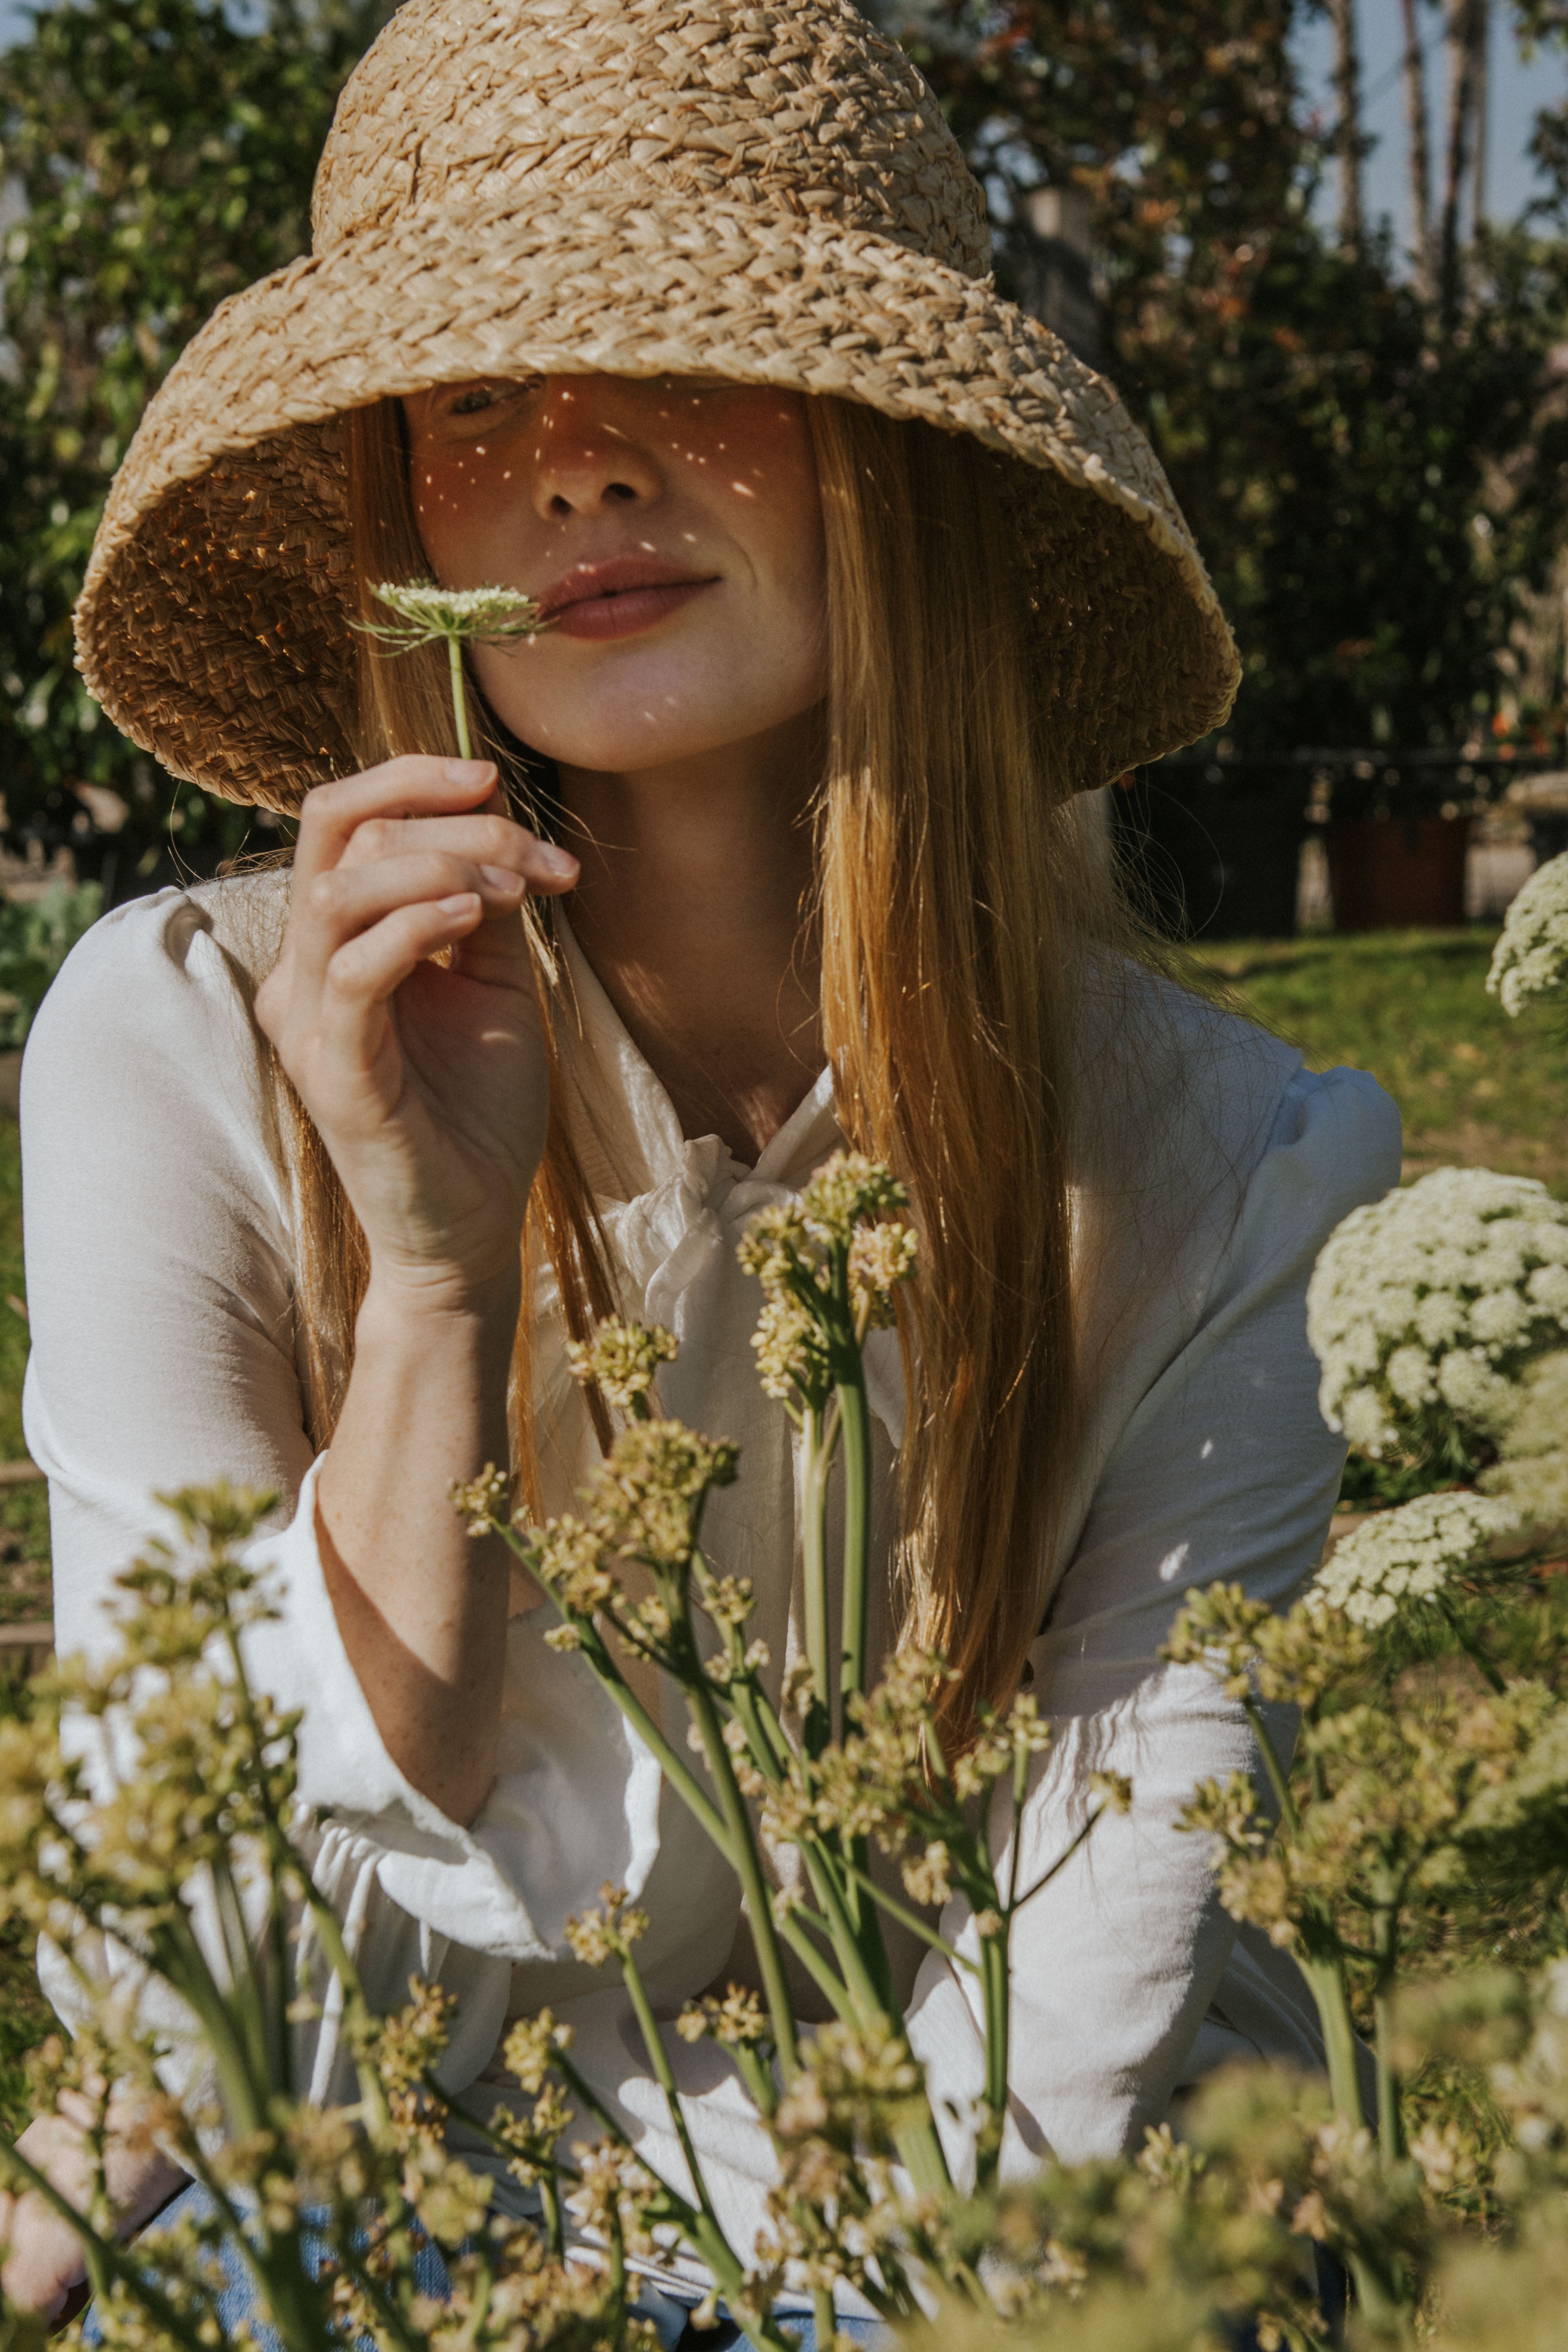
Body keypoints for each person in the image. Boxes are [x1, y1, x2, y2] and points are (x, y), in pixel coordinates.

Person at [2, 0, 1399, 2339]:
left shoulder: (1236, 1163)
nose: (570, 467)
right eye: (466, 397)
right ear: (401, 524)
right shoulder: (179, 1044)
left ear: (902, 447)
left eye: (686, 354)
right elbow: (199, 1966)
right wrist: (436, 1283)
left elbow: (1078, 2017)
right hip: (382, 2221)